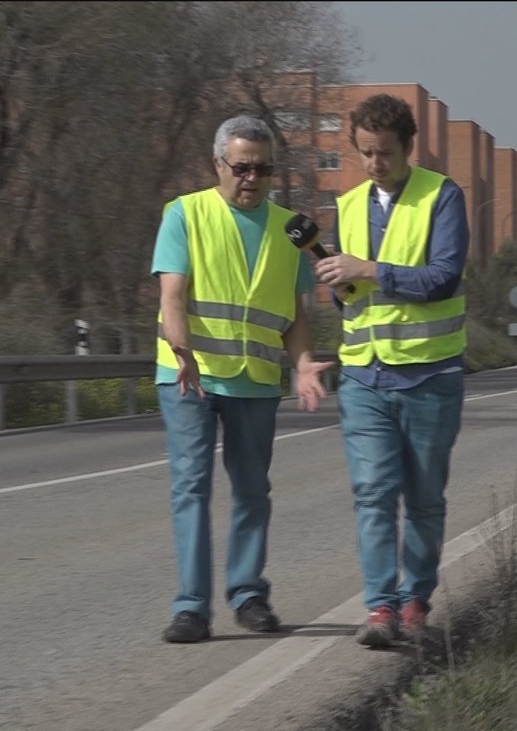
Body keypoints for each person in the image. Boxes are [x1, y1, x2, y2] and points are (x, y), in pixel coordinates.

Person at [151, 114, 334, 644]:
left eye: (263, 168)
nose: (252, 177)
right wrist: (182, 350)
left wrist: (302, 363)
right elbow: (171, 295)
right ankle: (191, 608)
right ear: (218, 165)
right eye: (242, 167)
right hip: (191, 376)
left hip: (255, 379)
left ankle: (249, 595)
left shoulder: (291, 228)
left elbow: (298, 314)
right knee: (191, 488)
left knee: (253, 491)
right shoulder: (185, 214)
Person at [311, 93, 469, 648]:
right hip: (364, 377)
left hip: (429, 377)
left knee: (424, 499)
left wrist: (371, 269)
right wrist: (340, 282)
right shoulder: (348, 204)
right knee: (373, 493)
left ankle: (415, 604)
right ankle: (379, 607)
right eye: (365, 153)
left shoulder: (442, 197)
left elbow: (444, 277)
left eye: (384, 153)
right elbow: (350, 297)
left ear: (408, 147)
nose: (374, 164)